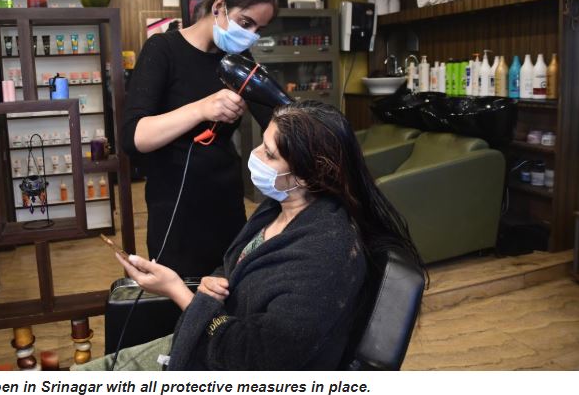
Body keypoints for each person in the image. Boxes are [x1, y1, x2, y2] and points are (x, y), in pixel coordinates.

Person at [76, 101, 421, 371]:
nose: (255, 155)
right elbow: (238, 265)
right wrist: (212, 285)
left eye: (269, 154)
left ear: (309, 175)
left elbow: (253, 360)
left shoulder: (326, 255)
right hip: (204, 343)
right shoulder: (277, 208)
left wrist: (178, 292)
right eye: (261, 144)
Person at [121, 0, 278, 278]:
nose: (250, 36)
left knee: (227, 291)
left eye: (258, 30)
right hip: (175, 207)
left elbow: (276, 116)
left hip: (226, 202)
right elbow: (134, 136)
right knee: (181, 295)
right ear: (219, 6)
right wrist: (201, 109)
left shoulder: (239, 60)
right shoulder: (163, 50)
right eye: (246, 23)